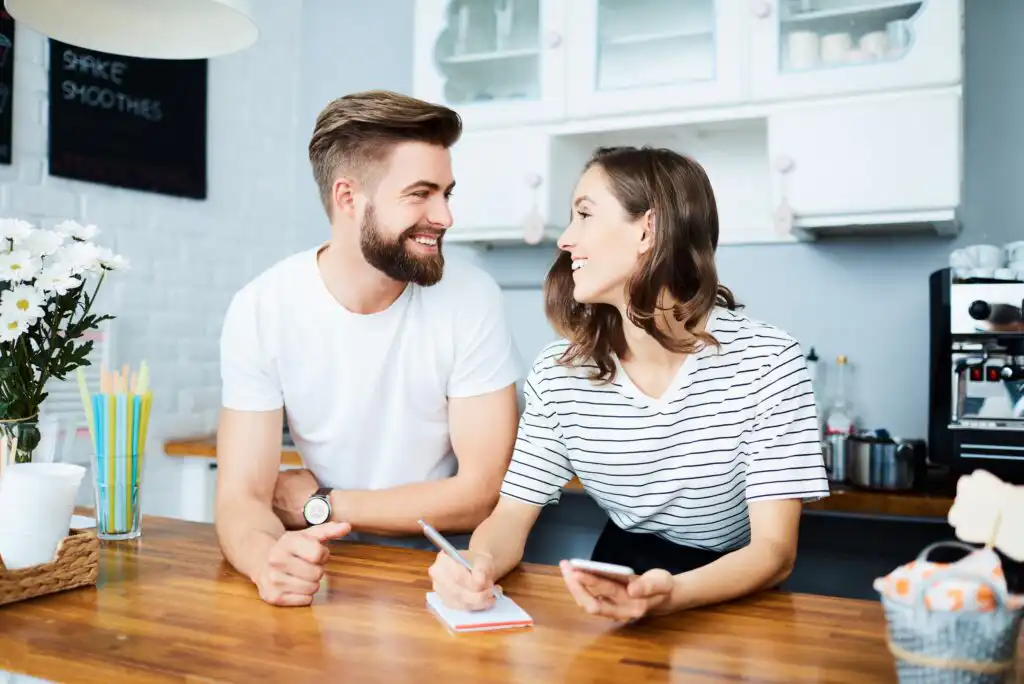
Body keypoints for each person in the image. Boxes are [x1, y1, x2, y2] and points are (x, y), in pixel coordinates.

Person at [428, 146, 830, 622]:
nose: (565, 240)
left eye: (584, 215)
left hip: (735, 592)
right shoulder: (559, 374)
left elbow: (773, 551)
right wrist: (477, 565)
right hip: (619, 577)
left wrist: (669, 595)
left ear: (648, 230)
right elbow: (510, 517)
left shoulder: (769, 362)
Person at [215, 90, 522, 607]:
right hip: (328, 568)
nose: (445, 216)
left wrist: (322, 505)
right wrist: (265, 560)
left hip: (444, 569)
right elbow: (241, 497)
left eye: (447, 193)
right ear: (349, 197)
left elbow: (479, 494)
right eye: (421, 194)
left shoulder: (472, 299)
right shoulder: (261, 307)